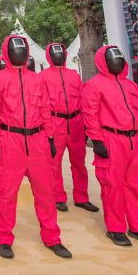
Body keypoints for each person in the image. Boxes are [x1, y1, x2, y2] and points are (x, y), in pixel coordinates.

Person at [0, 35, 71, 259]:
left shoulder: (38, 79)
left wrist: (50, 138)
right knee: (5, 193)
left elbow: (45, 110)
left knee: (46, 192)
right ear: (7, 53)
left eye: (23, 50)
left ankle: (52, 237)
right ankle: (3, 237)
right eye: (15, 50)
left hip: (38, 141)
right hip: (9, 141)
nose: (20, 54)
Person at [82, 45, 138, 247]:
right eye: (112, 59)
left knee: (135, 185)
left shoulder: (131, 86)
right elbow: (90, 114)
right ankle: (116, 228)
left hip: (134, 140)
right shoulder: (94, 85)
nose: (117, 61)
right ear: (104, 62)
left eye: (119, 58)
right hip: (111, 139)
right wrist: (97, 140)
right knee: (112, 185)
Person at [41, 42, 97, 213]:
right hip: (54, 122)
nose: (59, 56)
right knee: (53, 163)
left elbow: (83, 100)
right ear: (49, 56)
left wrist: (86, 126)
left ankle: (81, 197)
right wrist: (47, 129)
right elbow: (41, 104)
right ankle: (58, 197)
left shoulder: (74, 75)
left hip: (76, 123)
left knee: (79, 163)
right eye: (55, 53)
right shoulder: (42, 77)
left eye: (61, 53)